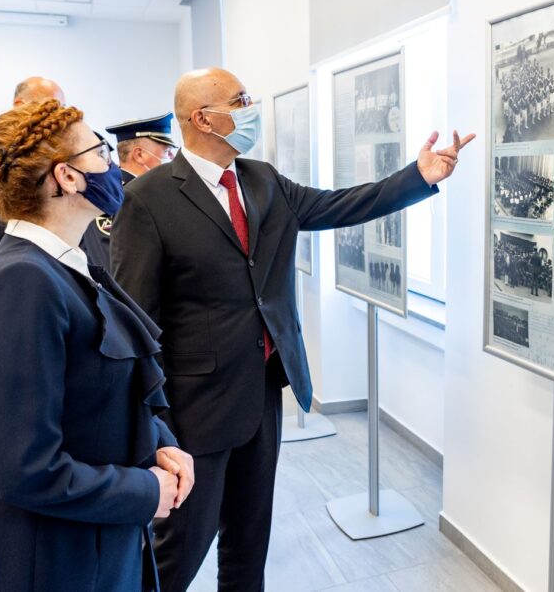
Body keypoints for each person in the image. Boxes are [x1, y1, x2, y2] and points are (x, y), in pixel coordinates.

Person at [111, 67, 475, 592]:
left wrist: (417, 178)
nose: (250, 107)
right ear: (203, 118)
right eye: (240, 100)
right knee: (179, 553)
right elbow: (137, 323)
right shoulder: (148, 199)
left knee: (249, 542)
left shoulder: (261, 179)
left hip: (261, 393)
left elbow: (339, 204)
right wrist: (156, 426)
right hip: (194, 410)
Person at [0, 99, 194, 591]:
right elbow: (27, 469)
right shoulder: (20, 282)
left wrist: (161, 447)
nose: (111, 164)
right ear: (67, 177)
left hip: (93, 542)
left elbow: (97, 400)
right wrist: (145, 489)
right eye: (100, 152)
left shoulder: (66, 263)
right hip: (48, 561)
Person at [0, 76, 66, 252]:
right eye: (49, 106)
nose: (56, 115)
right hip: (24, 258)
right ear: (19, 104)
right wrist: (57, 221)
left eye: (60, 108)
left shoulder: (65, 146)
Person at [80, 113, 177, 270]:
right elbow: (111, 267)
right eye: (167, 152)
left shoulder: (158, 193)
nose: (173, 158)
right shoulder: (110, 199)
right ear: (139, 155)